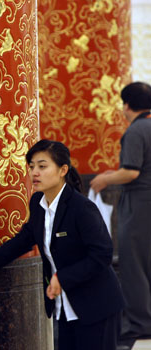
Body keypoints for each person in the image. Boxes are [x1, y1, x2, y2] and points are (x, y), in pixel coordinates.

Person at [0, 139, 124, 350]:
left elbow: (103, 254)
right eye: (32, 166)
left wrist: (63, 277)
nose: (35, 172)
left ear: (63, 170)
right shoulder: (38, 204)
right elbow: (24, 239)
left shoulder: (81, 208)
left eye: (42, 166)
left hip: (97, 306)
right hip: (65, 307)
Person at [90, 81, 151, 341]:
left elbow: (132, 172)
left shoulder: (137, 130)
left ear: (127, 105)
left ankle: (141, 323)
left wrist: (105, 180)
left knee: (134, 263)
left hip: (140, 203)